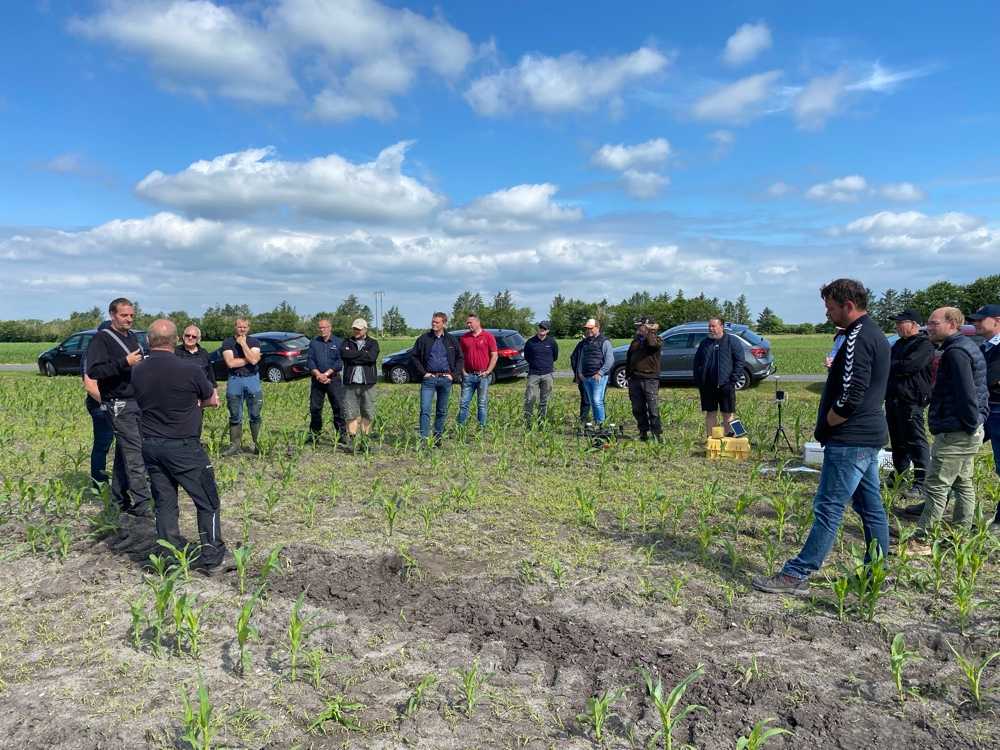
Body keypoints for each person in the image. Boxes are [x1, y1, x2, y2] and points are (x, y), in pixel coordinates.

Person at [753, 279, 890, 595]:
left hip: (850, 439)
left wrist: (830, 421)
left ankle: (797, 574)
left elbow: (852, 394)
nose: (827, 314)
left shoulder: (859, 336)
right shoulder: (874, 334)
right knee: (871, 510)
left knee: (828, 507)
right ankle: (875, 573)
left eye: (830, 307)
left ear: (848, 306)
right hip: (867, 437)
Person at [131, 319, 232, 574]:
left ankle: (170, 554)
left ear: (148, 341)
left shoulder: (138, 370)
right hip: (184, 446)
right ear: (175, 340)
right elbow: (211, 399)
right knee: (207, 500)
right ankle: (212, 555)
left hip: (151, 446)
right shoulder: (190, 369)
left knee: (165, 502)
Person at [904, 307, 989, 555]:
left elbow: (967, 395)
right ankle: (960, 535)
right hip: (966, 429)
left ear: (952, 324)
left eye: (933, 323)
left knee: (937, 484)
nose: (927, 327)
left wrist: (970, 423)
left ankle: (923, 540)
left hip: (957, 431)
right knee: (963, 483)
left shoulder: (957, 353)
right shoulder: (963, 348)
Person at [85, 298, 154, 519]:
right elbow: (94, 372)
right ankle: (144, 505)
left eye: (132, 315)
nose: (129, 319)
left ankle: (118, 499)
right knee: (135, 453)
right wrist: (124, 362)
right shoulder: (101, 339)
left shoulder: (132, 337)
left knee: (126, 452)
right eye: (125, 315)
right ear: (112, 315)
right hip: (119, 403)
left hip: (136, 401)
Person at [884, 310, 933, 501]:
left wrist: (892, 364)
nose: (896, 326)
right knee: (897, 439)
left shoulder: (923, 344)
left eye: (900, 323)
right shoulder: (898, 344)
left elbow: (908, 367)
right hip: (894, 397)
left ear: (914, 324)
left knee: (915, 439)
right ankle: (899, 475)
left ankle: (921, 481)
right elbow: (890, 364)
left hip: (912, 399)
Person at [968, 304, 1000, 531]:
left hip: (998, 411)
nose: (976, 323)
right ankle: (939, 503)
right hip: (983, 409)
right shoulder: (984, 347)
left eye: (981, 320)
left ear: (997, 320)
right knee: (957, 455)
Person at [411, 312, 463, 444]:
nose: (434, 324)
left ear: (444, 324)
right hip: (429, 379)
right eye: (433, 321)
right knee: (425, 409)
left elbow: (460, 358)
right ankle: (424, 439)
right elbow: (414, 356)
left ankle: (437, 437)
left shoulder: (451, 340)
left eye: (437, 322)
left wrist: (453, 375)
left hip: (445, 380)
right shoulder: (424, 339)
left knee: (441, 410)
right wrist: (423, 373)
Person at [82, 320, 118, 493]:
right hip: (102, 407)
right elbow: (90, 386)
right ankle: (99, 485)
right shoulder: (93, 354)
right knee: (102, 445)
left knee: (125, 446)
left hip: (118, 406)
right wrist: (109, 404)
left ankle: (121, 484)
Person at [693, 317, 744, 437]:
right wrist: (699, 380)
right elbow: (697, 363)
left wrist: (733, 379)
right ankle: (712, 439)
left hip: (726, 384)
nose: (710, 329)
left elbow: (740, 361)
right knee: (710, 413)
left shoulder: (732, 341)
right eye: (709, 326)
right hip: (708, 386)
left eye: (713, 326)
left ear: (721, 327)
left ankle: (738, 435)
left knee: (729, 413)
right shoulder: (705, 343)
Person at [220, 318, 263, 456]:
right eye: (239, 327)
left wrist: (243, 344)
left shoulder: (254, 342)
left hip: (252, 380)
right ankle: (235, 446)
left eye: (245, 327)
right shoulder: (227, 343)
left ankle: (258, 445)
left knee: (255, 414)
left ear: (248, 328)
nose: (242, 329)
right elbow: (231, 363)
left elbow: (255, 360)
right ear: (235, 327)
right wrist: (249, 359)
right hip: (235, 380)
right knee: (235, 415)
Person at [307, 319, 347, 444]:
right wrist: (318, 374)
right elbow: (310, 360)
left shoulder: (338, 342)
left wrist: (327, 373)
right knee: (315, 408)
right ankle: (315, 435)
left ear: (330, 328)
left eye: (325, 327)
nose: (322, 330)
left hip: (333, 379)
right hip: (317, 379)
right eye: (320, 328)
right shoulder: (314, 343)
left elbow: (340, 362)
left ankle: (341, 435)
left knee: (338, 407)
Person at [340, 318, 379, 445]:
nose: (356, 331)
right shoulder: (346, 342)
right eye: (354, 329)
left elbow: (372, 357)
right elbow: (345, 356)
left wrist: (354, 355)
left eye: (359, 329)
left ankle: (365, 440)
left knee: (367, 412)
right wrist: (362, 355)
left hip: (368, 384)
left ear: (365, 329)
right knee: (350, 412)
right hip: (350, 384)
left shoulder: (373, 343)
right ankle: (352, 439)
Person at [570, 318, 614, 424]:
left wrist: (600, 373)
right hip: (586, 377)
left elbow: (610, 360)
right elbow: (576, 357)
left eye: (591, 328)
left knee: (597, 401)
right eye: (587, 328)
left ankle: (601, 424)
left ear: (597, 328)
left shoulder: (604, 341)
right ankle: (596, 422)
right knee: (592, 401)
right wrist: (579, 374)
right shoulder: (584, 343)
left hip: (599, 377)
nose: (588, 330)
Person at [458, 314, 498, 429]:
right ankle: (460, 428)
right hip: (468, 376)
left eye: (470, 322)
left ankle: (481, 428)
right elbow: (460, 356)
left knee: (482, 403)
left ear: (477, 322)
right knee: (464, 403)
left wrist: (488, 371)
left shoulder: (488, 336)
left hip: (482, 376)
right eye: (467, 323)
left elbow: (494, 355)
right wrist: (463, 372)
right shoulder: (464, 338)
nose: (468, 325)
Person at [625, 316, 662, 441]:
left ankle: (656, 434)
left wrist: (650, 331)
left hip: (650, 379)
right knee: (637, 408)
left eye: (640, 326)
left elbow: (652, 345)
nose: (637, 328)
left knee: (653, 408)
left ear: (646, 327)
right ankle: (643, 432)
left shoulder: (655, 339)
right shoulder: (636, 341)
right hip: (635, 378)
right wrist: (628, 375)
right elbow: (629, 357)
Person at [523, 320, 559, 428]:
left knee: (544, 400)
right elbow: (527, 357)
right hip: (533, 374)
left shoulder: (552, 342)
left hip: (547, 374)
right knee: (530, 399)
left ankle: (541, 423)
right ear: (538, 329)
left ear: (547, 330)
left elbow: (555, 356)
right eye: (540, 328)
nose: (542, 330)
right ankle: (527, 424)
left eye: (544, 328)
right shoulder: (530, 342)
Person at [175, 325, 219, 407]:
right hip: (181, 396)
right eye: (187, 335)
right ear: (183, 336)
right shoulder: (175, 352)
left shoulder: (204, 353)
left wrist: (215, 395)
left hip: (200, 397)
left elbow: (210, 374)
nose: (190, 338)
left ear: (198, 339)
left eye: (194, 336)